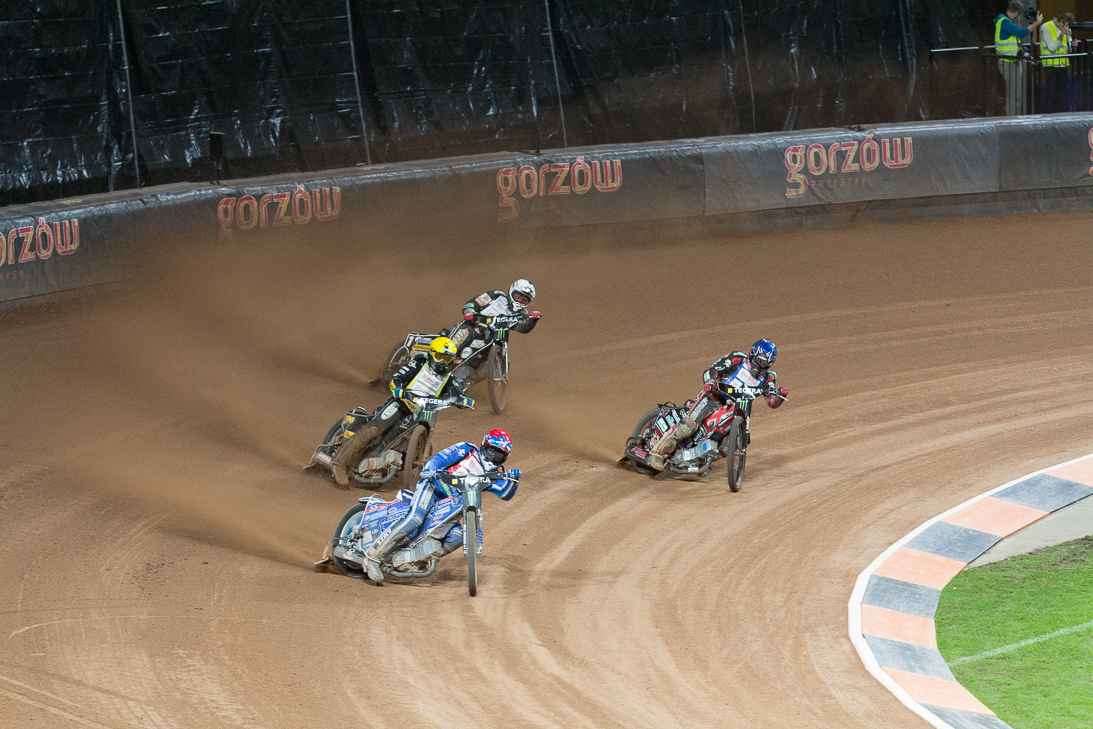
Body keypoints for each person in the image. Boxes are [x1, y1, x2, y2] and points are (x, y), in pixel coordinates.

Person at [362, 429, 520, 582]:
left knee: (457, 537)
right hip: (432, 488)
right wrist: (430, 469)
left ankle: (411, 558)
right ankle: (373, 558)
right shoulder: (466, 449)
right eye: (492, 451)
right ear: (484, 445)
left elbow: (505, 493)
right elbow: (439, 458)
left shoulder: (494, 475)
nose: (493, 457)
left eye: (499, 455)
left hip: (451, 507)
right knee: (415, 519)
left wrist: (514, 482)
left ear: (505, 457)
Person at [332, 336, 472, 485]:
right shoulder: (420, 363)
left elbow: (456, 393)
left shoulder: (450, 379)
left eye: (447, 358)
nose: (443, 362)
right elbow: (398, 377)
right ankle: (340, 463)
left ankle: (378, 466)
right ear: (431, 354)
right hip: (400, 404)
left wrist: (463, 400)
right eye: (440, 357)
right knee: (373, 430)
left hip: (421, 415)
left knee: (396, 442)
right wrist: (398, 388)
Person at [644, 339, 788, 472]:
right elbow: (711, 371)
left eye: (765, 364)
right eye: (759, 360)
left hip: (736, 408)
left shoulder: (769, 377)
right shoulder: (737, 359)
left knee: (727, 447)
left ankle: (697, 460)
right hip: (713, 398)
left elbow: (771, 402)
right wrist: (710, 381)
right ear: (752, 354)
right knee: (688, 427)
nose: (760, 366)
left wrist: (780, 395)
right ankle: (656, 453)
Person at [447, 279, 541, 361]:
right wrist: (470, 312)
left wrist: (532, 321)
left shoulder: (521, 315)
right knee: (463, 334)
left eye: (524, 300)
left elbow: (522, 328)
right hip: (474, 327)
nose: (519, 301)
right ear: (512, 292)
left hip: (493, 338)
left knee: (494, 357)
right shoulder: (495, 296)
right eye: (518, 296)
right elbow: (472, 304)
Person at [995, 1, 1042, 116]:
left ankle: (1015, 116)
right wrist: (1037, 23)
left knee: (1017, 93)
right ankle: (1011, 119)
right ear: (1016, 12)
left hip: (1012, 62)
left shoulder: (1004, 21)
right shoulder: (1004, 21)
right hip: (1008, 63)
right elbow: (1020, 33)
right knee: (1013, 93)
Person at [1040, 12, 1075, 113]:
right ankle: (1049, 116)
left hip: (1063, 65)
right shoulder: (1046, 27)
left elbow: (1068, 48)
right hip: (1050, 65)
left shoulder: (1067, 29)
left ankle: (1057, 116)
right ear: (1061, 21)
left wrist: (1073, 46)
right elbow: (1052, 48)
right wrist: (1061, 35)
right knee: (1051, 93)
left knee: (1060, 94)